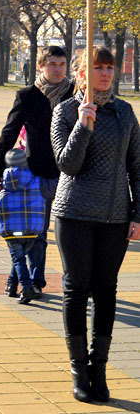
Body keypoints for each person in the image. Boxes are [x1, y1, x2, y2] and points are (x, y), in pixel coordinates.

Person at [51, 46, 140, 403]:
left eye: (109, 67)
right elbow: (67, 165)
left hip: (115, 217)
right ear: (81, 74)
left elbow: (136, 166)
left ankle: (98, 368)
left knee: (106, 289)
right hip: (74, 213)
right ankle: (79, 370)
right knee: (76, 289)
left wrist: (137, 214)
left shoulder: (124, 112)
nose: (104, 73)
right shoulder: (65, 111)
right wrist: (82, 126)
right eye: (97, 68)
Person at [0, 45, 73, 297]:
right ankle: (36, 281)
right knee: (36, 231)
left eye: (62, 64)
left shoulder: (75, 94)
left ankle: (16, 279)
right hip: (36, 174)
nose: (58, 69)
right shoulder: (28, 96)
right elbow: (9, 132)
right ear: (41, 66)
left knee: (64, 233)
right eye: (52, 64)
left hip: (70, 173)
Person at [0, 149, 57, 304]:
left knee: (18, 259)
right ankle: (11, 285)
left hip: (10, 231)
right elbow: (54, 187)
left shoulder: (1, 186)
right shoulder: (38, 181)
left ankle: (26, 288)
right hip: (32, 230)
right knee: (20, 258)